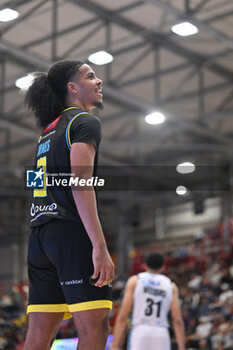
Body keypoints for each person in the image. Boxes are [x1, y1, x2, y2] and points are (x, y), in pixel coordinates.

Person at [23, 60, 115, 350]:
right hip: (70, 234)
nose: (99, 81)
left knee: (38, 336)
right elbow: (79, 182)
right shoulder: (84, 121)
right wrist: (99, 246)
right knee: (95, 327)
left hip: (39, 236)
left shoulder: (47, 131)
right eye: (91, 76)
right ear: (73, 88)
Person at [111, 252, 185, 350]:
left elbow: (123, 315)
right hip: (161, 333)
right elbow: (177, 320)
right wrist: (182, 347)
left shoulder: (135, 280)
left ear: (145, 265)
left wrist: (115, 344)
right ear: (163, 267)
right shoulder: (171, 286)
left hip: (140, 330)